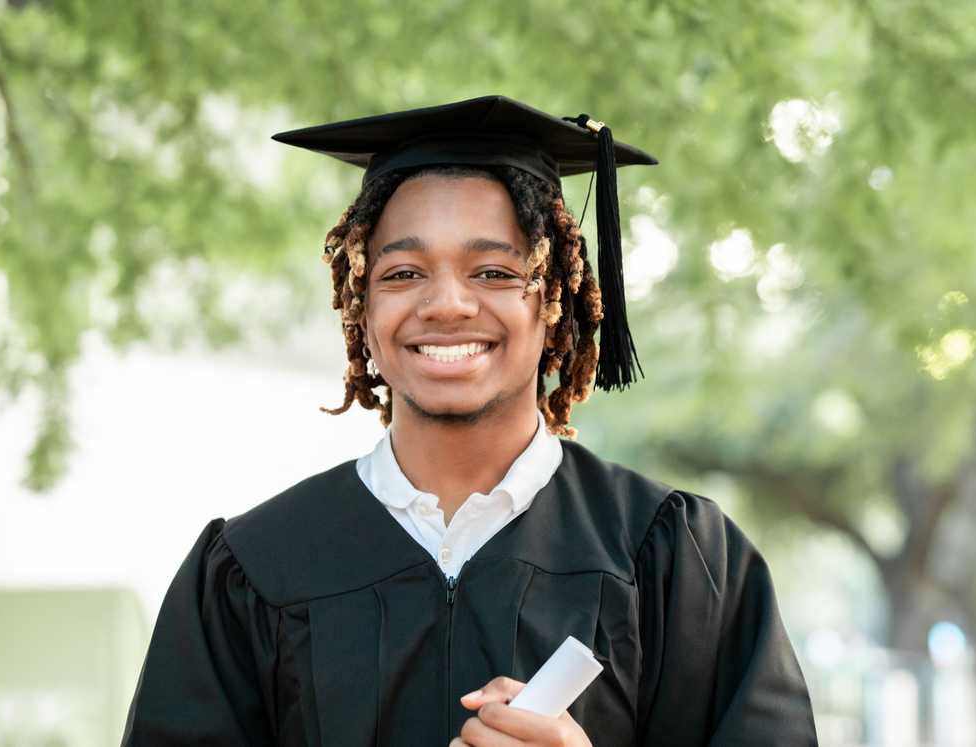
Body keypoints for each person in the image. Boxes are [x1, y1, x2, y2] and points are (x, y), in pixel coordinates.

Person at [121, 95, 819, 746]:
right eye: (403, 274)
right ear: (360, 306)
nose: (447, 303)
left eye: (492, 272)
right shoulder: (252, 569)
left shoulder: (670, 559)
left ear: (553, 303)